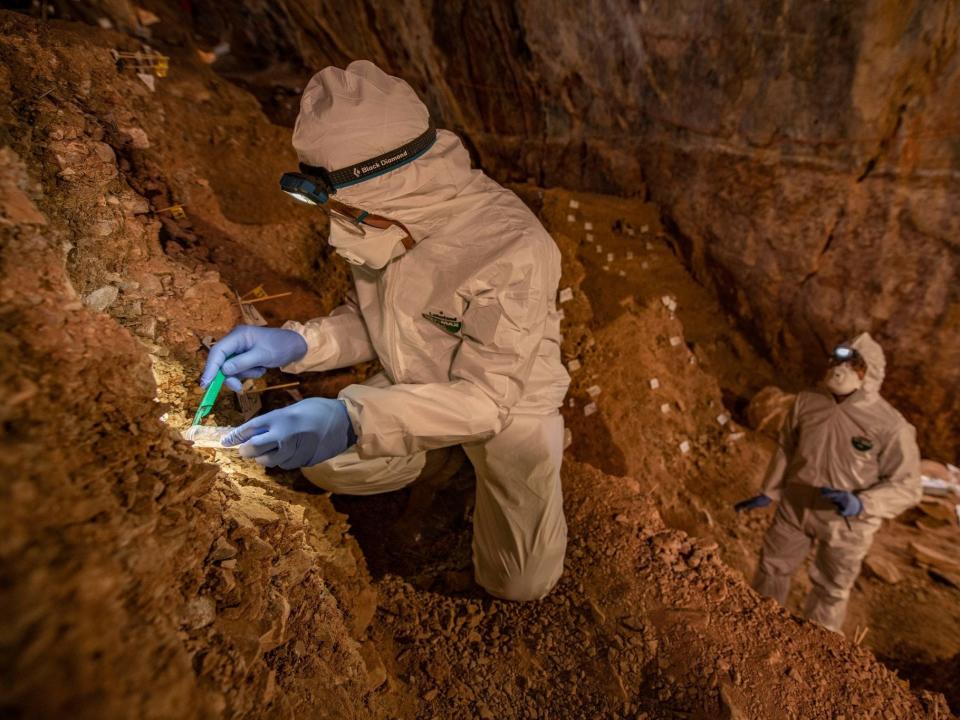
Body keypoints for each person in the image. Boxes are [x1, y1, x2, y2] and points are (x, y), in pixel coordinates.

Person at [199, 60, 570, 602]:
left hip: (508, 405)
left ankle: (468, 462)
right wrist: (298, 344)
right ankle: (440, 458)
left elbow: (488, 401)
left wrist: (355, 419)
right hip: (412, 379)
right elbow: (370, 320)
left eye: (345, 213)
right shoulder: (377, 215)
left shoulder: (513, 248)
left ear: (390, 187)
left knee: (521, 581)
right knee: (327, 467)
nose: (337, 231)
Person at [735, 332, 921, 632]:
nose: (840, 370)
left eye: (854, 364)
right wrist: (770, 490)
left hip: (846, 523)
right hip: (796, 505)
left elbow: (908, 486)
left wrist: (862, 503)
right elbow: (787, 446)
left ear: (869, 372)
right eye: (837, 360)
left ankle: (818, 654)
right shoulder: (807, 402)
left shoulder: (891, 426)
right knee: (772, 569)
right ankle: (758, 634)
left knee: (831, 590)